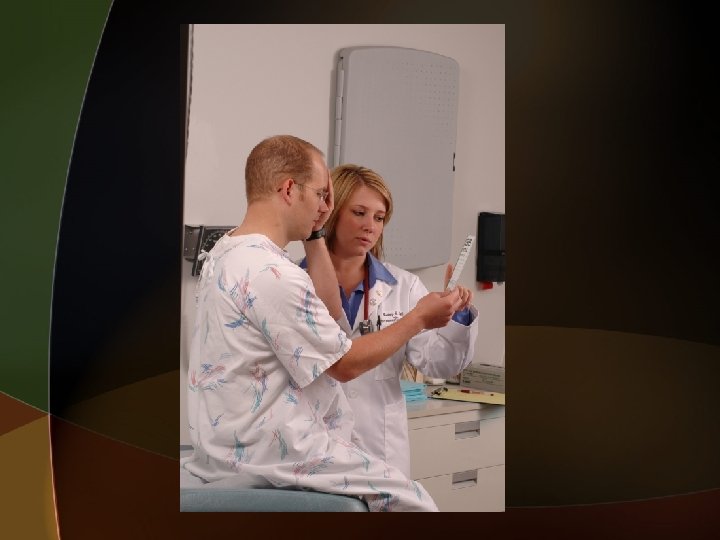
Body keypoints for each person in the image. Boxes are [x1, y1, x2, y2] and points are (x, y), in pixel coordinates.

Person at [181, 135, 464, 512]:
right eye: (319, 194)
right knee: (416, 503)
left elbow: (332, 319)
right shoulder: (274, 274)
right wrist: (418, 319)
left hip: (233, 444)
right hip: (279, 452)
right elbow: (344, 364)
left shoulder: (226, 253)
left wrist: (315, 233)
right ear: (288, 189)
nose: (323, 207)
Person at [301, 164, 478, 478]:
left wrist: (457, 314)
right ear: (332, 212)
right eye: (359, 213)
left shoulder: (404, 287)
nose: (370, 226)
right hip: (312, 445)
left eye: (379, 217)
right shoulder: (293, 281)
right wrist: (418, 318)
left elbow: (438, 364)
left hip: (379, 447)